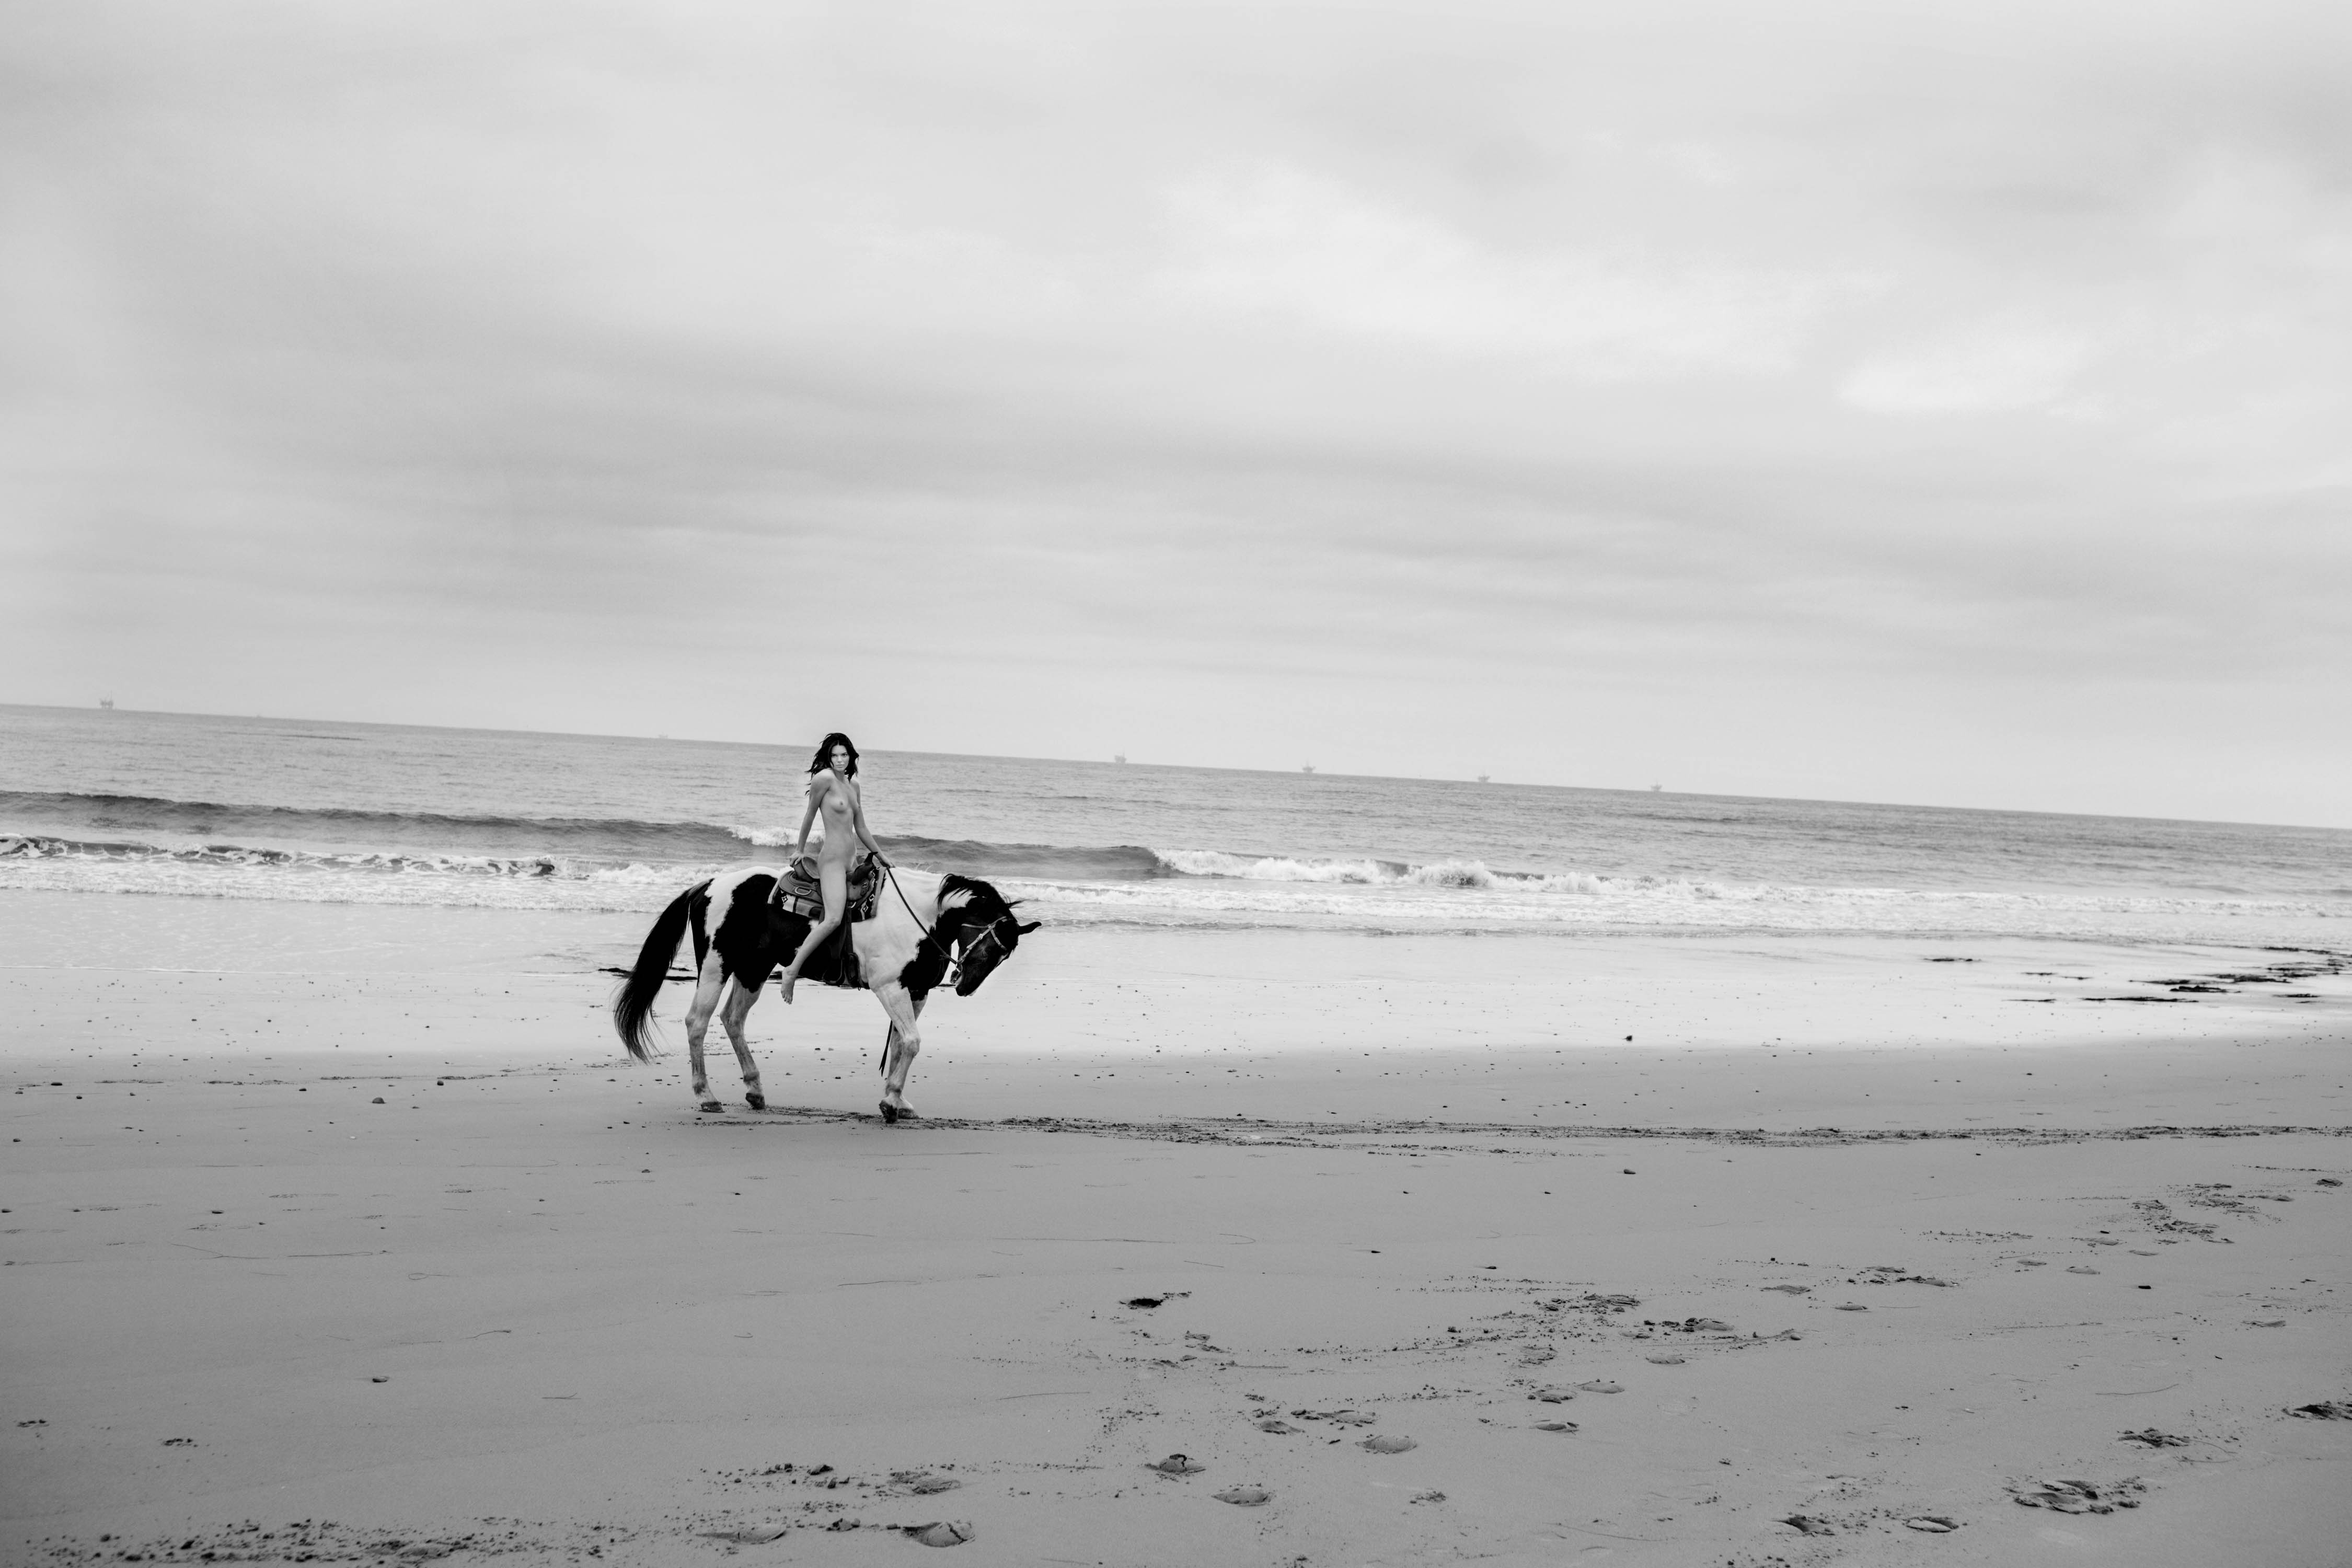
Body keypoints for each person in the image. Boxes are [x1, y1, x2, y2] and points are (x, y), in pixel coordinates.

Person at [776, 732, 890, 1003]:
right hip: (832, 861)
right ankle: (792, 971)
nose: (840, 760)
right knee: (834, 919)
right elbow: (809, 815)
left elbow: (861, 827)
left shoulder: (854, 785)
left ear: (851, 756)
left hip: (852, 860)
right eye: (835, 755)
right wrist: (800, 849)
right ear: (829, 758)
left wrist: (880, 854)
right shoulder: (824, 779)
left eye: (844, 755)